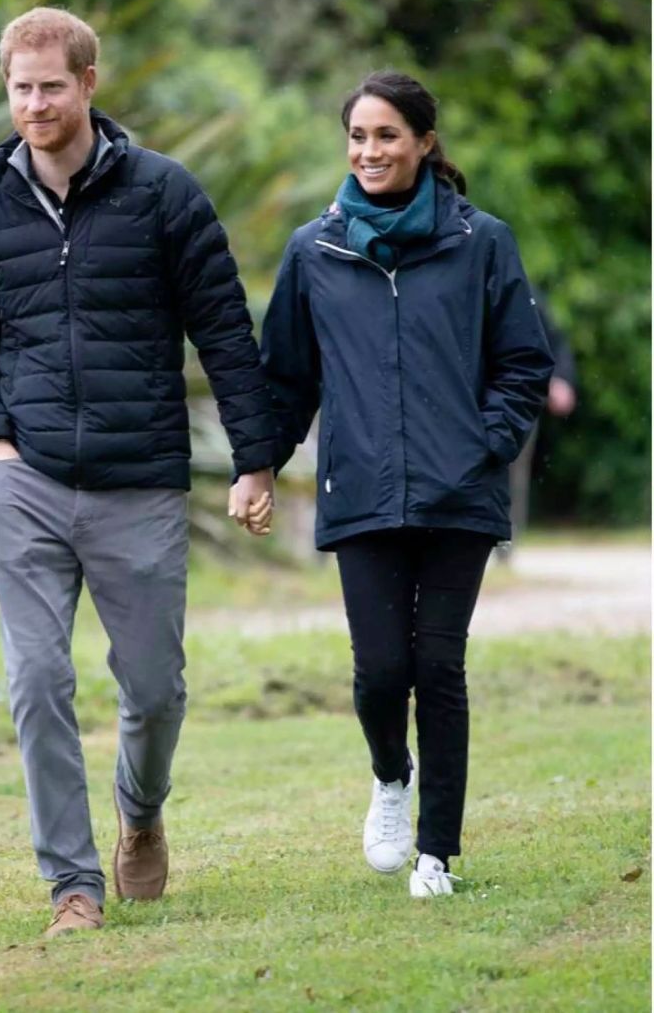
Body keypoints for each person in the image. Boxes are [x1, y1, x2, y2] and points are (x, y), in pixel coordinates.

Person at [0, 7, 275, 936]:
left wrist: (255, 461)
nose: (34, 104)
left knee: (156, 686)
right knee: (37, 680)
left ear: (89, 82)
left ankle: (141, 809)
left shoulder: (165, 193)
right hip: (27, 476)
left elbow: (226, 334)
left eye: (51, 85)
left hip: (142, 480)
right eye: (19, 88)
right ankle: (72, 887)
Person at [256, 70, 554, 897]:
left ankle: (437, 853)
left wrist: (483, 443)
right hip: (361, 494)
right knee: (382, 669)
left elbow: (524, 361)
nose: (369, 150)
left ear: (425, 142)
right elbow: (285, 378)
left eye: (386, 135)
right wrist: (259, 467)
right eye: (357, 136)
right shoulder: (315, 251)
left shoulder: (480, 241)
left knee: (439, 664)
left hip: (460, 494)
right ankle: (392, 775)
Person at [506, 294, 577, 546]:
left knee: (514, 472)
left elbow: (555, 342)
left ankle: (508, 537)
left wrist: (561, 379)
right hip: (466, 402)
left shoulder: (525, 292)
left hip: (519, 398)